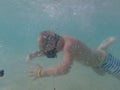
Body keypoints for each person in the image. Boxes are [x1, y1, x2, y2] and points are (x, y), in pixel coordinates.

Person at [26, 30, 120, 80]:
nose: (52, 52)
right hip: (93, 64)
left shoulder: (68, 47)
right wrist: (34, 54)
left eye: (52, 51)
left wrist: (42, 73)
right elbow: (48, 48)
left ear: (55, 44)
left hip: (104, 61)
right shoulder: (60, 40)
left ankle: (102, 49)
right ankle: (101, 48)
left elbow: (64, 70)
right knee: (102, 74)